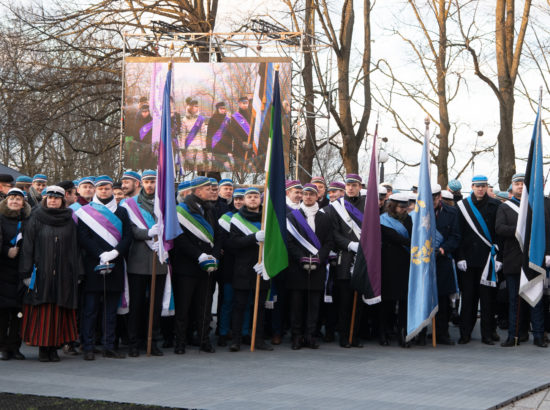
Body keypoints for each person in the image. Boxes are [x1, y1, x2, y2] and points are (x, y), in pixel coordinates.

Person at [19, 185, 82, 362]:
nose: (53, 200)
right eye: (50, 197)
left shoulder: (69, 220)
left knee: (59, 311)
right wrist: (26, 273)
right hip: (41, 273)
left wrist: (78, 273)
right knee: (43, 312)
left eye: (57, 198)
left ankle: (54, 348)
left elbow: (75, 248)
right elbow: (27, 247)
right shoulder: (36, 218)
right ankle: (43, 348)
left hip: (63, 274)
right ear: (46, 199)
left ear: (63, 200)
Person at [76, 176, 133, 360]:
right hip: (94, 264)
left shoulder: (122, 211)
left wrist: (115, 253)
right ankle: (88, 346)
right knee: (91, 309)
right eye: (100, 188)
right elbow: (83, 237)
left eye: (107, 188)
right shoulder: (86, 212)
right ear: (95, 190)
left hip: (115, 264)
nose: (104, 191)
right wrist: (100, 253)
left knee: (110, 310)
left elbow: (128, 237)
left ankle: (109, 345)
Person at [496, 173, 548, 348]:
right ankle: (514, 335)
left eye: (522, 184)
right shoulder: (505, 207)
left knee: (536, 300)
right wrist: (520, 229)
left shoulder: (537, 206)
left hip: (534, 259)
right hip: (513, 260)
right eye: (517, 183)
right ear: (512, 186)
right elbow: (500, 229)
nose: (520, 186)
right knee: (514, 301)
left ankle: (539, 335)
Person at [170, 177, 221, 354]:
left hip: (208, 267)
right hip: (187, 266)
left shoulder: (210, 209)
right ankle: (180, 342)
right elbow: (179, 238)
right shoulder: (181, 211)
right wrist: (198, 255)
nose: (211, 190)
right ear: (198, 191)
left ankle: (203, 339)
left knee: (204, 306)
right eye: (208, 188)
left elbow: (218, 236)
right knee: (184, 307)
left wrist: (213, 257)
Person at [121, 170, 167, 357]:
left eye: (153, 182)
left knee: (154, 306)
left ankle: (152, 341)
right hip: (137, 261)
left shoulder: (165, 204)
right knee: (137, 305)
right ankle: (134, 342)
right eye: (147, 181)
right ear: (141, 183)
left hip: (159, 260)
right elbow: (128, 230)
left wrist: (164, 239)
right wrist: (147, 233)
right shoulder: (129, 205)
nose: (150, 185)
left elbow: (173, 228)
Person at [286, 183, 333, 350]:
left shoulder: (325, 218)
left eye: (311, 194)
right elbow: (289, 242)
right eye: (305, 194)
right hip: (298, 266)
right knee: (297, 304)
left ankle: (311, 335)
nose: (307, 197)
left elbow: (329, 241)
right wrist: (301, 258)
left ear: (317, 197)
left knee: (314, 304)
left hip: (318, 267)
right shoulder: (293, 217)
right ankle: (297, 336)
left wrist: (319, 257)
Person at [456, 175, 502, 345]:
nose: (480, 189)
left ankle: (487, 334)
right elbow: (458, 233)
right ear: (472, 187)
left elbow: (499, 234)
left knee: (488, 300)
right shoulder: (462, 207)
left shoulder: (495, 205)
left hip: (488, 260)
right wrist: (459, 256)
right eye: (477, 186)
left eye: (483, 186)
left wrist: (500, 258)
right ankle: (465, 333)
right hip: (467, 260)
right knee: (468, 299)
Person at [226, 187, 273, 352]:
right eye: (249, 197)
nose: (253, 199)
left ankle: (258, 339)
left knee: (259, 307)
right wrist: (254, 237)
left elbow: (276, 245)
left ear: (260, 199)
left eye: (255, 196)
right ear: (244, 200)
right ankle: (236, 340)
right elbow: (233, 243)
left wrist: (268, 262)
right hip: (243, 269)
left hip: (263, 268)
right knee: (239, 306)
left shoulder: (268, 219)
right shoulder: (237, 219)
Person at [330, 173, 365, 348]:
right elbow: (334, 233)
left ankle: (355, 335)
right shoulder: (337, 206)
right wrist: (349, 244)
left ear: (360, 186)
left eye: (354, 185)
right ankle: (344, 336)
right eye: (348, 185)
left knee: (358, 302)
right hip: (345, 257)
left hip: (363, 258)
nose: (351, 188)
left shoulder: (368, 204)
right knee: (344, 301)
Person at [0, 188, 31, 360]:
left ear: (23, 203)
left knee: (19, 312)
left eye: (18, 199)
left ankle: (15, 346)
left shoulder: (28, 220)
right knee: (3, 312)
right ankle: (3, 346)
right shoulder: (0, 218)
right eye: (11, 198)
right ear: (6, 201)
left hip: (21, 270)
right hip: (4, 269)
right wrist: (6, 251)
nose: (14, 202)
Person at [379, 192, 413, 347]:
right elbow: (392, 236)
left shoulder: (409, 220)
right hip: (388, 263)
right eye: (401, 207)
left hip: (405, 264)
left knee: (404, 301)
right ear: (393, 206)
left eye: (405, 207)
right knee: (387, 301)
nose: (404, 210)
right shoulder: (383, 220)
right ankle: (384, 332)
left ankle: (402, 332)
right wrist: (410, 242)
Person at [432, 184, 461, 345]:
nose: (432, 202)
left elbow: (456, 236)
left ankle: (442, 333)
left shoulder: (451, 213)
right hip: (423, 261)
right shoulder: (419, 212)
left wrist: (443, 249)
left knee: (443, 300)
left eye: (434, 199)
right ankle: (421, 333)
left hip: (442, 259)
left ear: (439, 197)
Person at [217, 188, 246, 347]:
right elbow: (222, 241)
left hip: (246, 266)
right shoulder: (226, 218)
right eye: (236, 199)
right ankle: (223, 332)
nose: (239, 202)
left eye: (242, 199)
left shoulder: (255, 218)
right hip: (229, 265)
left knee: (244, 303)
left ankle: (243, 332)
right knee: (227, 301)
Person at [180, 97, 207, 172]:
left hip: (199, 147)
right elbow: (183, 134)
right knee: (190, 168)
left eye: (196, 106)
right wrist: (182, 147)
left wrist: (204, 147)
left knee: (200, 168)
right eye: (193, 106)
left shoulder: (201, 119)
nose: (195, 108)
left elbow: (203, 134)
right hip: (189, 147)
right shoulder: (184, 120)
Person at [226, 97, 252, 170]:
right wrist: (242, 143)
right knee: (237, 170)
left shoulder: (252, 117)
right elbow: (234, 133)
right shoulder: (235, 117)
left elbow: (252, 132)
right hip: (238, 148)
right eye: (243, 103)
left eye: (247, 103)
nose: (245, 105)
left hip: (249, 148)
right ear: (239, 104)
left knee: (247, 171)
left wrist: (251, 144)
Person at [207, 102, 232, 171]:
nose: (223, 110)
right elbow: (209, 135)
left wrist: (230, 150)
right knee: (215, 169)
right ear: (217, 109)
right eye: (221, 108)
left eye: (224, 108)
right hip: (215, 147)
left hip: (225, 148)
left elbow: (230, 136)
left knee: (226, 169)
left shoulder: (227, 120)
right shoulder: (212, 119)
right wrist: (209, 149)